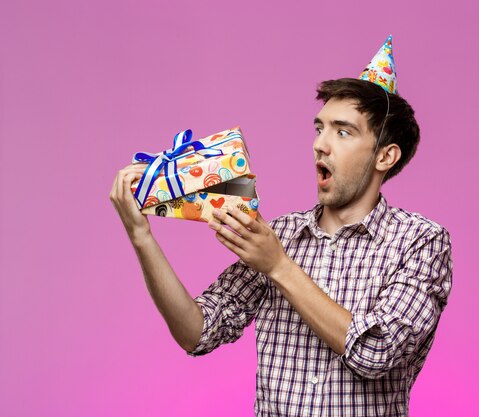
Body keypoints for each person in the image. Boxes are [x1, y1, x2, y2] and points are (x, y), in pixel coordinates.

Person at [110, 36, 453, 417]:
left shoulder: (421, 241)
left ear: (385, 156)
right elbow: (198, 332)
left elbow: (376, 352)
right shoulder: (281, 235)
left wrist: (277, 266)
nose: (320, 145)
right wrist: (142, 237)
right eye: (319, 128)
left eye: (342, 132)